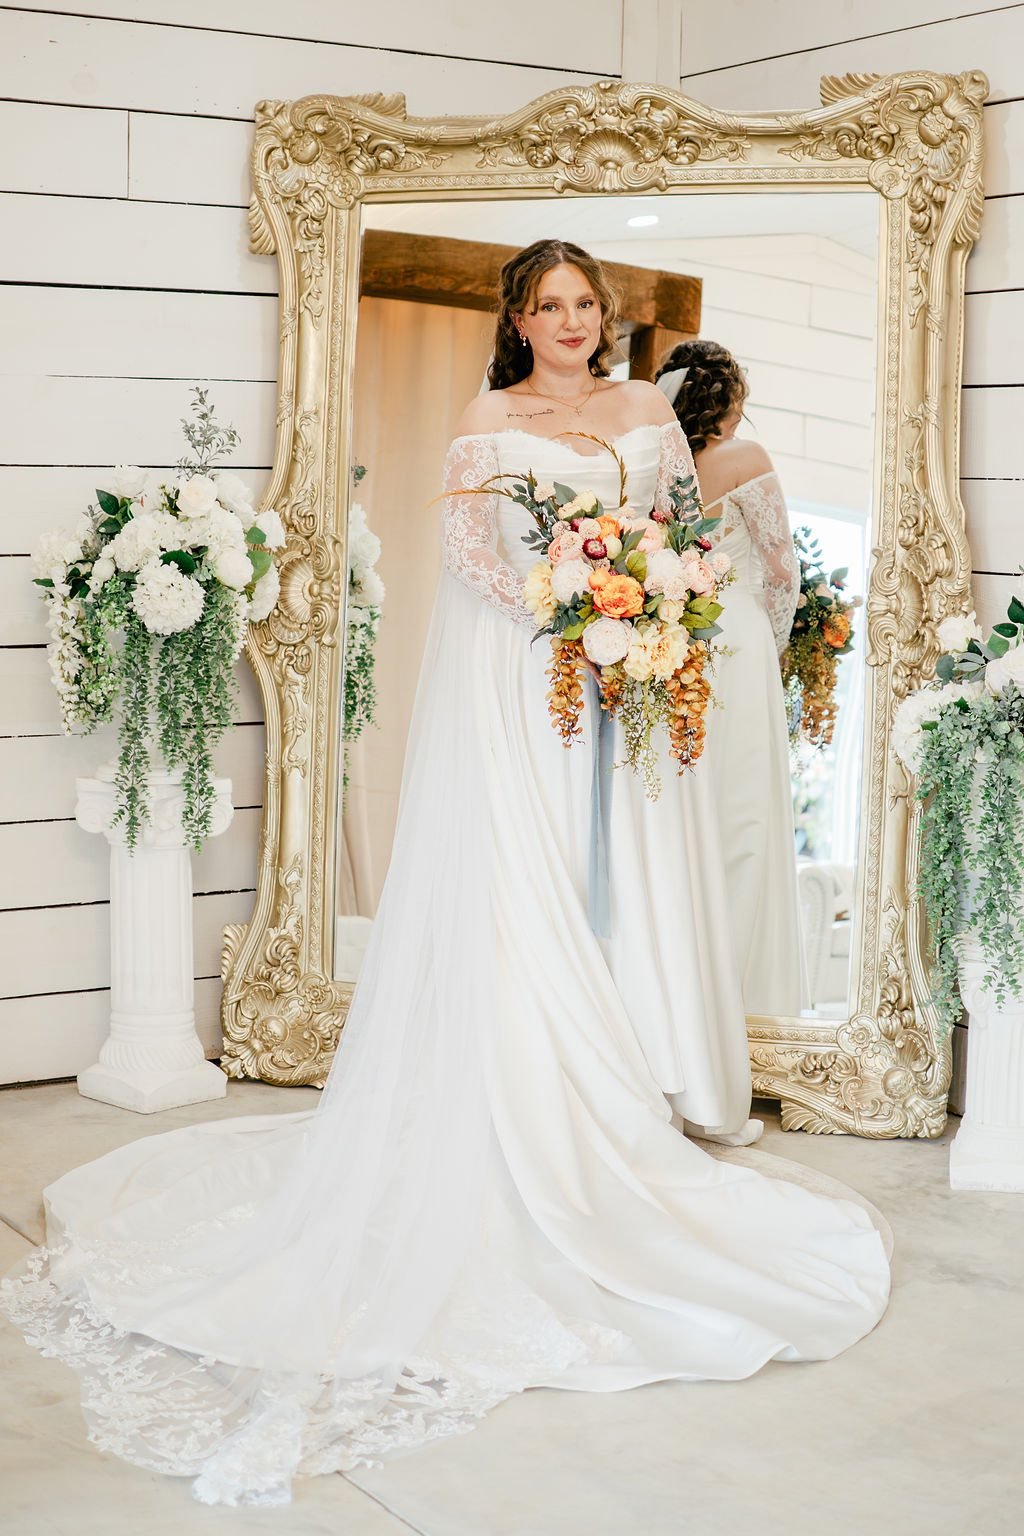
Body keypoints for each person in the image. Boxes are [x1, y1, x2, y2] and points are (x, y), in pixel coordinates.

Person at [1, 242, 889, 1509]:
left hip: (637, 677)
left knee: (630, 876)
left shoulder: (648, 412)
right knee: (524, 878)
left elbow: (685, 534)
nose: (572, 325)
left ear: (606, 320)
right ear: (518, 320)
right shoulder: (489, 417)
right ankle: (528, 1080)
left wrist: (650, 605)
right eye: (550, 307)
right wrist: (574, 612)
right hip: (528, 677)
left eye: (588, 307)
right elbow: (477, 557)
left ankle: (641, 1071)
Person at [656, 340, 806, 1017]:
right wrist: (771, 645)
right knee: (745, 816)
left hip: (673, 643)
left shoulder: (655, 468)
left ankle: (678, 996)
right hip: (738, 638)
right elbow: (781, 568)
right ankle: (747, 1008)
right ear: (728, 398)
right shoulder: (746, 459)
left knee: (685, 812)